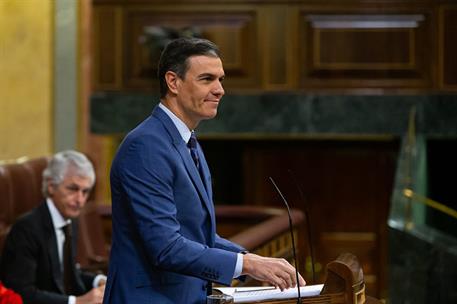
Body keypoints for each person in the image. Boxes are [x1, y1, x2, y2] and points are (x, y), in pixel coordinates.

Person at [103, 37, 306, 304]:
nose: (219, 89)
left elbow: (200, 236)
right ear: (173, 82)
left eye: (221, 79)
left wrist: (252, 259)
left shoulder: (189, 142)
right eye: (207, 79)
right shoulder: (145, 146)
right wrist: (248, 265)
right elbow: (166, 247)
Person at [0, 150, 106, 304]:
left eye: (85, 191)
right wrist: (77, 302)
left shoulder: (70, 219)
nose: (80, 200)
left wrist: (99, 281)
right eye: (73, 189)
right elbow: (21, 293)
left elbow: (64, 274)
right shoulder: (26, 229)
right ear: (51, 186)